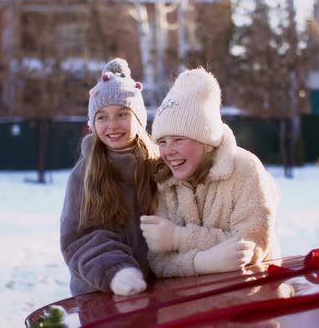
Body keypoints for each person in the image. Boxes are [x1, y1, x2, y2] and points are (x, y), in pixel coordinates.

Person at [140, 68, 281, 277]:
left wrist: (179, 238)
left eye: (178, 139)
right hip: (190, 302)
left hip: (252, 293)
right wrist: (201, 263)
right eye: (162, 141)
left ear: (206, 142)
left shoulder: (245, 170)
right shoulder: (163, 181)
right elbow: (157, 261)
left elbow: (250, 246)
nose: (168, 151)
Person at [60, 58, 158, 296]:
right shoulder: (84, 174)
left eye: (122, 114)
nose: (112, 125)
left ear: (138, 118)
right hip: (102, 293)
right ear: (93, 124)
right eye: (102, 116)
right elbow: (80, 239)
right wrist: (116, 271)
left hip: (157, 291)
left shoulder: (158, 166)